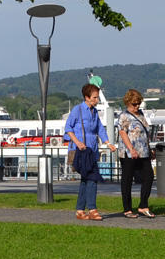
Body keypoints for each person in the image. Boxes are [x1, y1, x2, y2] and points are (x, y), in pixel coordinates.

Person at [65, 82, 113, 220]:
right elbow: (68, 128)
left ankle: (80, 210)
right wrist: (78, 142)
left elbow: (100, 129)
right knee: (92, 178)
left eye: (97, 97)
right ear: (86, 97)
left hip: (92, 151)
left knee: (86, 180)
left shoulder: (94, 112)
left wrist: (108, 143)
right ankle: (92, 209)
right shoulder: (77, 110)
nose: (97, 100)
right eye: (94, 97)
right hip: (80, 151)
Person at [117, 89, 155, 218]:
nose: (137, 106)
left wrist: (149, 149)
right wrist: (131, 149)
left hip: (143, 152)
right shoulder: (124, 116)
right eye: (134, 104)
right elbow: (122, 133)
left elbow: (145, 133)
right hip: (128, 153)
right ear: (128, 103)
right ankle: (127, 208)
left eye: (138, 103)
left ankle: (143, 205)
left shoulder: (141, 114)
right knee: (127, 180)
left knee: (149, 176)